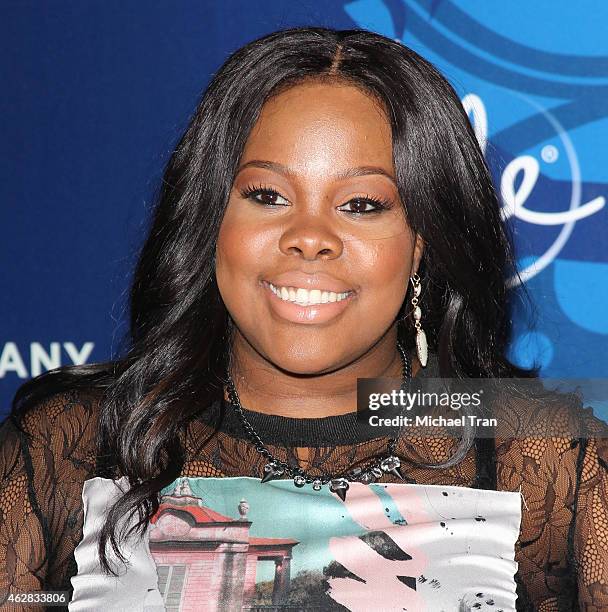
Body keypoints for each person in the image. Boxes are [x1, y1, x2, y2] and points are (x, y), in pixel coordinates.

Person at [1, 26, 607, 612]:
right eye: (268, 196)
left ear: (423, 238)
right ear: (213, 218)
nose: (309, 238)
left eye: (362, 205)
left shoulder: (549, 457)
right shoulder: (73, 445)